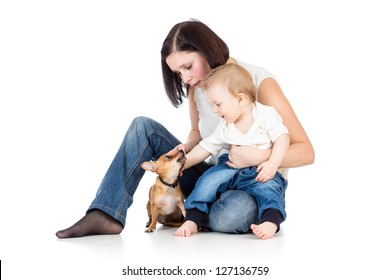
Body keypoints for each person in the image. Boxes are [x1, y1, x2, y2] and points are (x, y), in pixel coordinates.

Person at [56, 19, 314, 239]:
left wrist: (259, 157)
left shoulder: (259, 82)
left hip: (256, 180)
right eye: (178, 73)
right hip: (214, 172)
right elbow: (198, 135)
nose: (186, 78)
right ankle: (106, 213)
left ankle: (197, 212)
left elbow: (306, 151)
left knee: (230, 216)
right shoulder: (198, 87)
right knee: (142, 127)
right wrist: (185, 149)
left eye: (188, 67)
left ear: (206, 50)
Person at [175, 63, 290, 239]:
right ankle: (193, 217)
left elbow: (283, 138)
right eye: (212, 105)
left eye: (218, 104)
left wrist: (272, 164)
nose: (214, 110)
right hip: (230, 167)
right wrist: (183, 163)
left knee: (270, 188)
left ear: (240, 99)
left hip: (260, 170)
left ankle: (270, 221)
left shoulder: (265, 115)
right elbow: (206, 146)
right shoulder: (226, 125)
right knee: (207, 181)